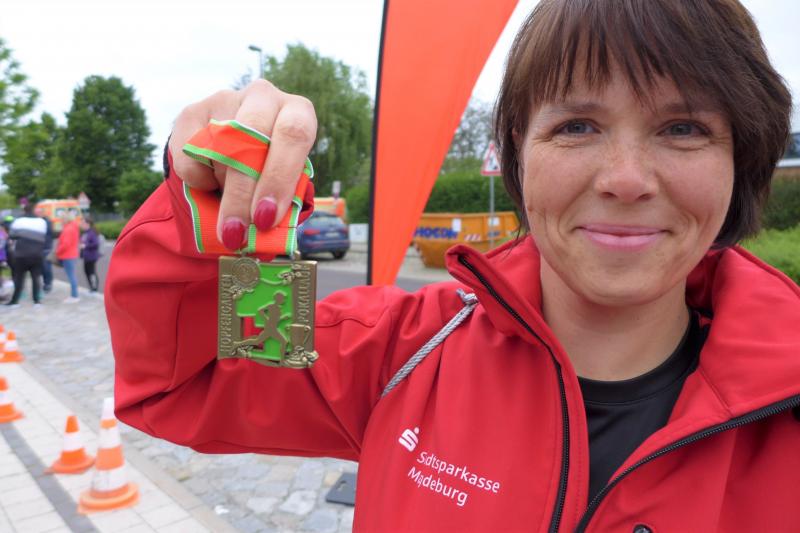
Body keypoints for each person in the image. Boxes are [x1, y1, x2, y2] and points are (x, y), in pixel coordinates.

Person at [107, 1, 799, 531]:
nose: (625, 179)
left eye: (683, 129)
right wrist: (213, 203)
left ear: (740, 159)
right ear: (518, 153)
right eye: (577, 126)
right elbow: (191, 376)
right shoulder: (396, 350)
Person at [6, 204, 49, 307]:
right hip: (37, 254)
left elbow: (12, 235)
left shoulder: (18, 221)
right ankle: (36, 301)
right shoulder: (42, 222)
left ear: (23, 210)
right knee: (36, 278)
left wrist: (21, 234)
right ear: (33, 210)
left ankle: (15, 301)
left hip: (21, 254)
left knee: (19, 278)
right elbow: (43, 236)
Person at [56, 213, 80, 303]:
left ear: (66, 219)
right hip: (72, 254)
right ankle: (74, 295)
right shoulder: (73, 227)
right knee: (72, 275)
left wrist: (57, 252)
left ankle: (74, 296)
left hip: (67, 255)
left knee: (71, 276)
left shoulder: (68, 229)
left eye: (62, 219)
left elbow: (65, 244)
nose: (60, 221)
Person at [79, 217, 101, 292]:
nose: (81, 225)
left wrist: (85, 246)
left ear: (87, 224)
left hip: (91, 256)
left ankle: (94, 288)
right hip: (86, 256)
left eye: (83, 223)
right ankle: (92, 287)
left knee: (92, 272)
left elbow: (96, 243)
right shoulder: (85, 233)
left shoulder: (92, 232)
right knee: (87, 272)